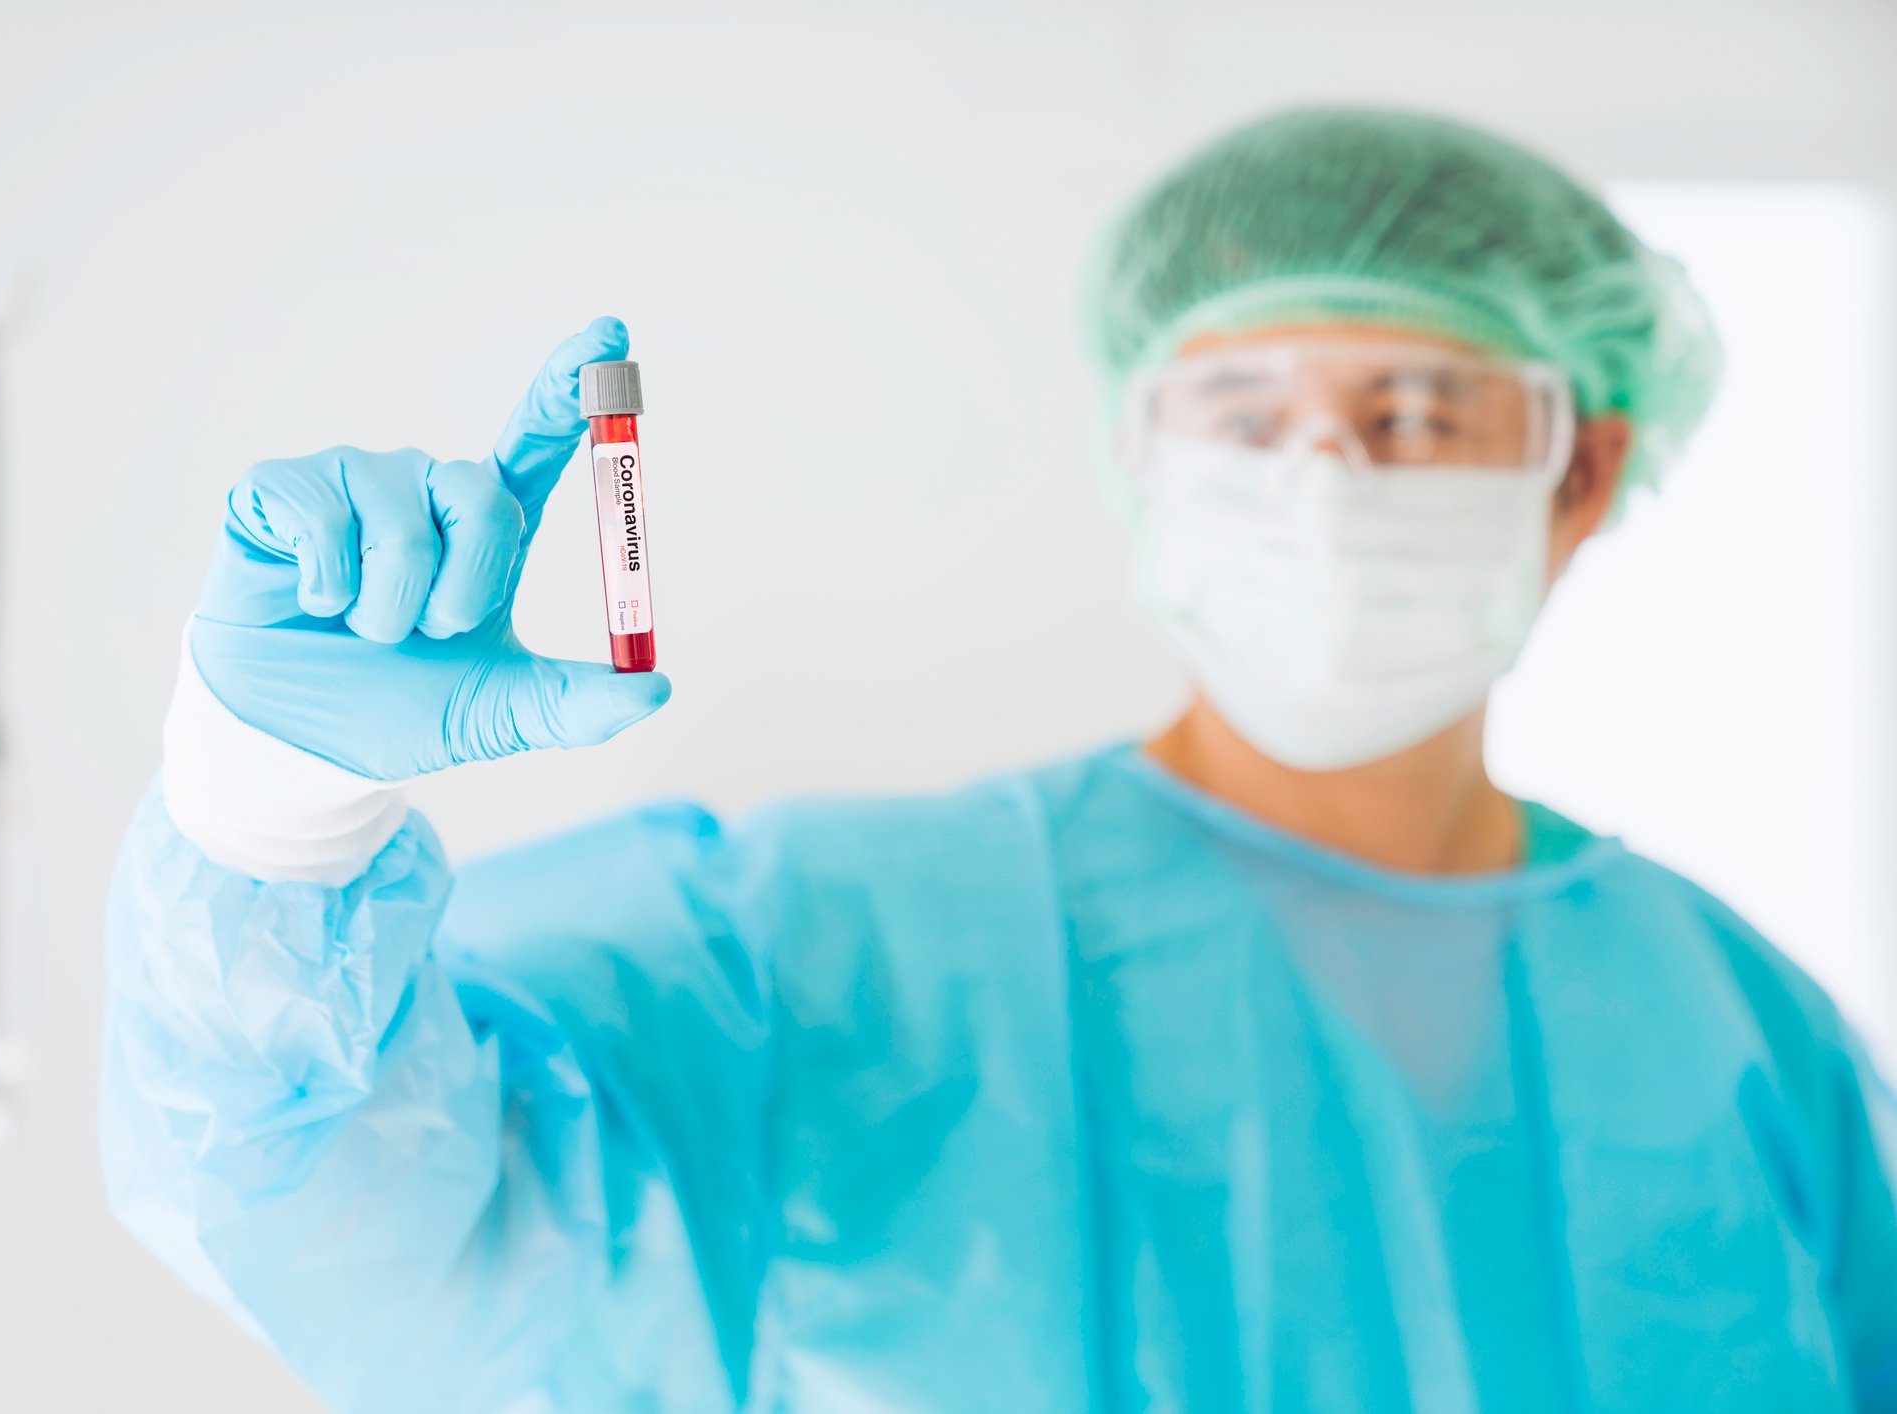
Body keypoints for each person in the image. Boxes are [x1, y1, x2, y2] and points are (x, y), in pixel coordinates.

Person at [100, 108, 1897, 1411]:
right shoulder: (802, 945)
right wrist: (268, 801)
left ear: (1575, 470)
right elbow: (351, 1231)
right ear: (1148, 464)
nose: (1324, 482)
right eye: (1246, 417)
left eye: (1417, 414)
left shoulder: (1752, 1043)